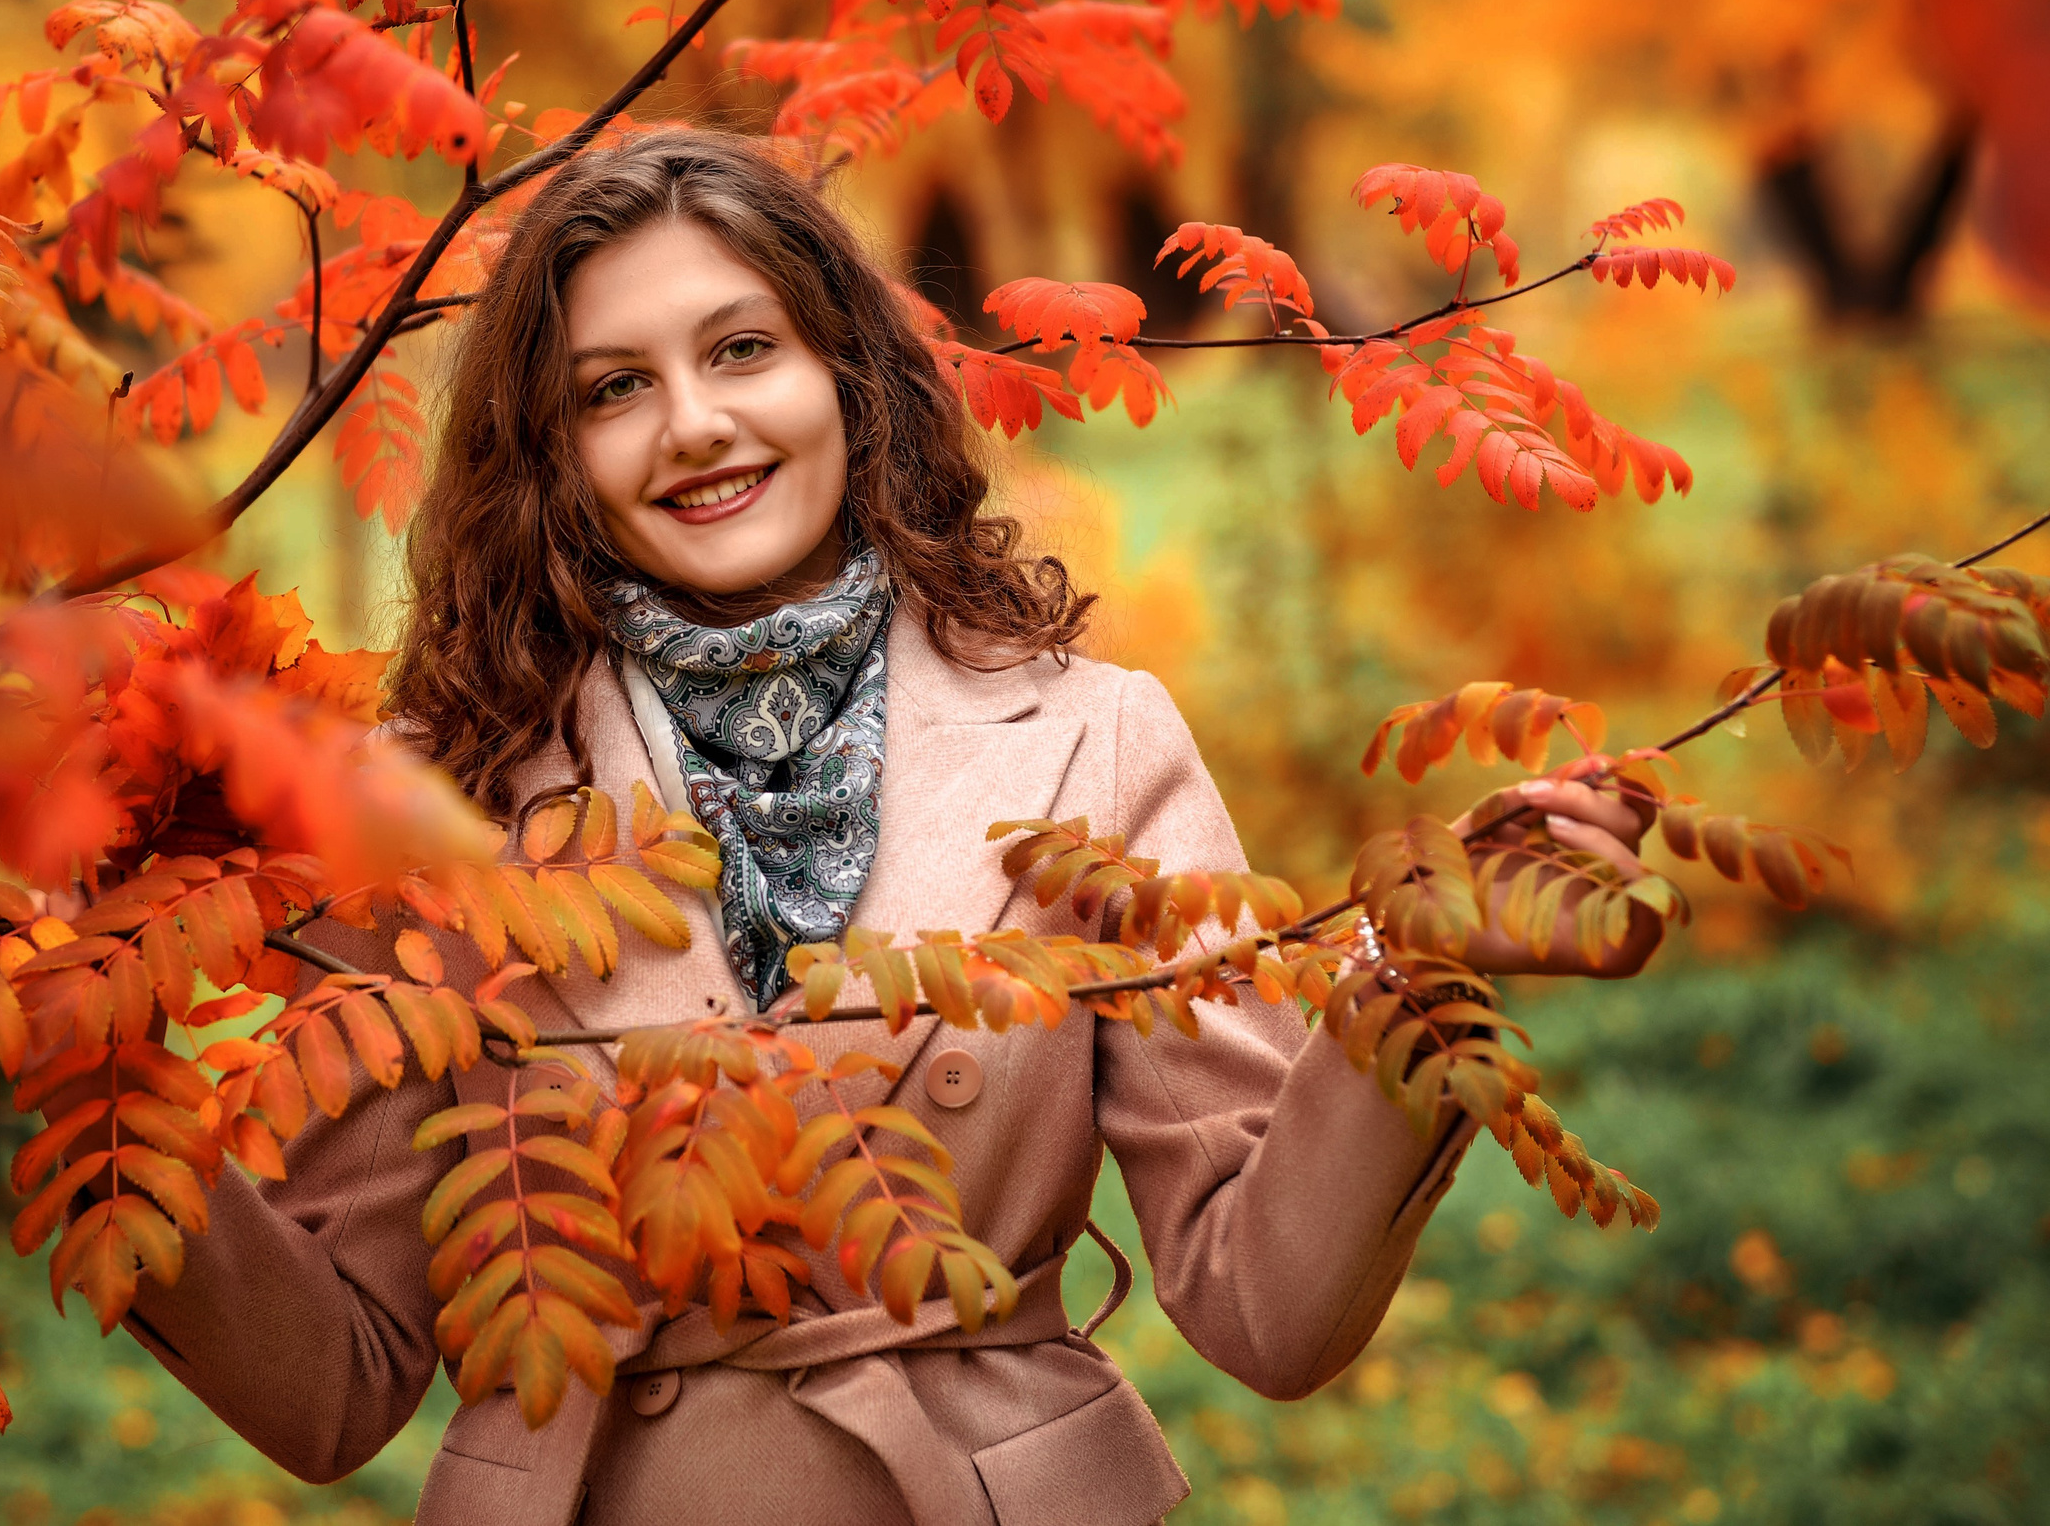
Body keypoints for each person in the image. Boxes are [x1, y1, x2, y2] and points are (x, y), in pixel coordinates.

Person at [107, 131, 1660, 1526]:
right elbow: (332, 1388)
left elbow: (1268, 1306)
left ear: (844, 372)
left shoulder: (1090, 746)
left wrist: (1416, 977)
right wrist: (94, 1092)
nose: (696, 426)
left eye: (740, 349)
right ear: (547, 453)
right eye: (615, 387)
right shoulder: (436, 798)